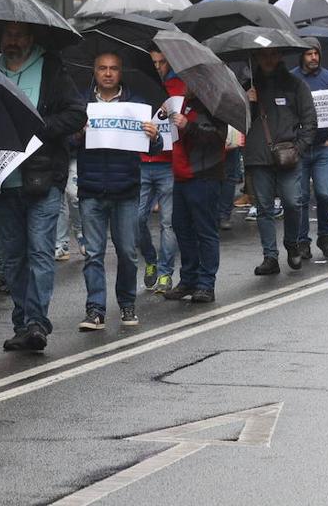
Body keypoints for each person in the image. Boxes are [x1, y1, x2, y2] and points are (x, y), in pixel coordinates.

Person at [0, 22, 85, 353]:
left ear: (31, 39)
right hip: (2, 181)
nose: (12, 41)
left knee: (40, 252)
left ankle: (36, 323)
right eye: (7, 34)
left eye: (18, 35)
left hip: (42, 179)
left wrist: (38, 129)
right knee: (13, 258)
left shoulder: (51, 68)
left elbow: (76, 115)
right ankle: (22, 323)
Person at [75, 53, 160, 332]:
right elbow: (65, 142)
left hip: (125, 189)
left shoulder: (135, 105)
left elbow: (154, 148)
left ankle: (127, 303)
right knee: (94, 254)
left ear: (121, 72)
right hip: (91, 188)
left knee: (127, 252)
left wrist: (154, 136)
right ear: (94, 71)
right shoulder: (81, 104)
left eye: (113, 68)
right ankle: (95, 310)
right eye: (102, 68)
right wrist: (77, 133)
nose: (108, 73)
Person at [244, 47, 316, 275]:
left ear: (280, 56)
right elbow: (235, 120)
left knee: (294, 202)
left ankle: (292, 243)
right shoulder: (247, 86)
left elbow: (310, 120)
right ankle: (270, 257)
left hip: (289, 155)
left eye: (273, 54)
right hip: (258, 156)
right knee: (264, 209)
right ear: (255, 57)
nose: (268, 59)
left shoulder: (295, 84)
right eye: (263, 55)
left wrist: (299, 148)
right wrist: (248, 103)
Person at [163, 91, 228, 304]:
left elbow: (216, 138)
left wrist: (188, 126)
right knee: (181, 227)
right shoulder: (181, 103)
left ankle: (206, 284)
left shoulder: (214, 105)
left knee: (205, 231)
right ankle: (189, 279)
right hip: (181, 175)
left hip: (204, 176)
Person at [137, 46, 184, 291]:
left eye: (163, 62)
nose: (158, 67)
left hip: (168, 163)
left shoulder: (180, 86)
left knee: (168, 222)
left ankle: (166, 272)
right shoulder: (139, 87)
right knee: (136, 220)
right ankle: (151, 261)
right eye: (154, 62)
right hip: (143, 161)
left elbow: (184, 121)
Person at [290, 42, 328, 259]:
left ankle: (324, 236)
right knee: (299, 197)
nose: (313, 57)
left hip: (322, 147)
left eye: (316, 53)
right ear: (302, 56)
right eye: (309, 53)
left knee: (324, 194)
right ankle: (302, 241)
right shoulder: (292, 78)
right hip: (300, 148)